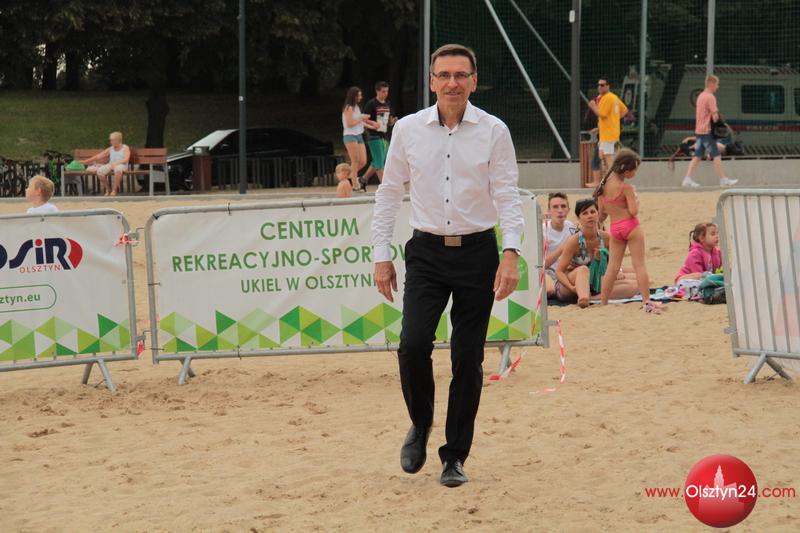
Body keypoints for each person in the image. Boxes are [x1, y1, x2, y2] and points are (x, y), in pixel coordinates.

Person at [372, 43, 523, 488]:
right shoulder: (408, 130)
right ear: (431, 81)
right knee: (413, 344)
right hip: (426, 252)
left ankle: (454, 455)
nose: (452, 83)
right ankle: (420, 423)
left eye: (461, 75)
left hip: (478, 253)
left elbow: (508, 195)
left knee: (467, 358)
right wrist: (381, 255)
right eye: (444, 75)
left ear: (474, 81)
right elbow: (388, 193)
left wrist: (510, 254)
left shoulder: (494, 131)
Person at [594, 149, 664, 313]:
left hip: (615, 228)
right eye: (634, 170)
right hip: (631, 227)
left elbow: (602, 213)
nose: (635, 173)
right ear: (626, 170)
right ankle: (646, 300)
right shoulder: (626, 188)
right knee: (639, 264)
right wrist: (636, 201)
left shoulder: (603, 186)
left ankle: (604, 301)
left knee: (612, 267)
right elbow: (633, 211)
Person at [553, 198, 638, 307]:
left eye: (593, 212)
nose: (590, 216)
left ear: (598, 215)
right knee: (583, 270)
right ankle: (584, 298)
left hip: (595, 283)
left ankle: (594, 298)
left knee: (636, 284)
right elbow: (559, 271)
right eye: (585, 213)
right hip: (571, 284)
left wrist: (616, 270)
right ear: (578, 218)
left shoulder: (606, 238)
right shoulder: (574, 241)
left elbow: (614, 262)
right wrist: (572, 288)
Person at [681, 75, 738, 188]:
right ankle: (723, 180)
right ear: (712, 84)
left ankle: (687, 179)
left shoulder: (701, 96)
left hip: (699, 131)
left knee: (697, 156)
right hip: (707, 131)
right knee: (716, 155)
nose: (718, 87)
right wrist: (720, 122)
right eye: (717, 84)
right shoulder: (710, 97)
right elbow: (715, 117)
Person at [358, 81, 397, 192]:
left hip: (385, 135)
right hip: (374, 136)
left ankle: (363, 180)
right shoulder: (371, 104)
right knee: (379, 164)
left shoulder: (388, 104)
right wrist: (373, 124)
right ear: (377, 91)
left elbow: (389, 120)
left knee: (377, 161)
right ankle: (386, 186)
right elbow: (363, 119)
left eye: (387, 91)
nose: (385, 94)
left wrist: (392, 122)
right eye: (383, 91)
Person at [588, 76, 628, 171]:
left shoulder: (606, 98)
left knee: (608, 158)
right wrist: (613, 120)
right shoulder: (614, 97)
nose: (599, 87)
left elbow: (602, 114)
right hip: (609, 132)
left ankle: (613, 176)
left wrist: (593, 106)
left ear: (608, 86)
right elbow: (624, 110)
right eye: (598, 85)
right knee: (602, 156)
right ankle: (610, 175)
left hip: (608, 134)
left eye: (602, 85)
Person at [543, 192, 577, 297]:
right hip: (548, 271)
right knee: (550, 290)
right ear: (549, 211)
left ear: (568, 210)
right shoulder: (543, 230)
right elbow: (542, 264)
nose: (560, 210)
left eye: (563, 206)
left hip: (566, 270)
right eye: (555, 207)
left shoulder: (571, 226)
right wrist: (563, 248)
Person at [81, 131, 130, 196]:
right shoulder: (111, 149)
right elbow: (98, 156)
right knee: (99, 172)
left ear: (118, 140)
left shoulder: (125, 147)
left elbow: (126, 159)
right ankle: (108, 189)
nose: (111, 142)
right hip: (111, 165)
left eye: (112, 140)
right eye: (110, 140)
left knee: (118, 170)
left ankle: (114, 190)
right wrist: (85, 161)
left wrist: (116, 163)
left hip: (122, 165)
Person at [341, 87, 370, 190]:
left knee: (363, 161)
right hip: (350, 135)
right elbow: (350, 123)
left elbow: (359, 122)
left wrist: (372, 126)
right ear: (354, 96)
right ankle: (354, 183)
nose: (360, 97)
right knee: (355, 160)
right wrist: (361, 118)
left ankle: (348, 175)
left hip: (359, 135)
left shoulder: (357, 107)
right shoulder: (349, 108)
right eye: (359, 95)